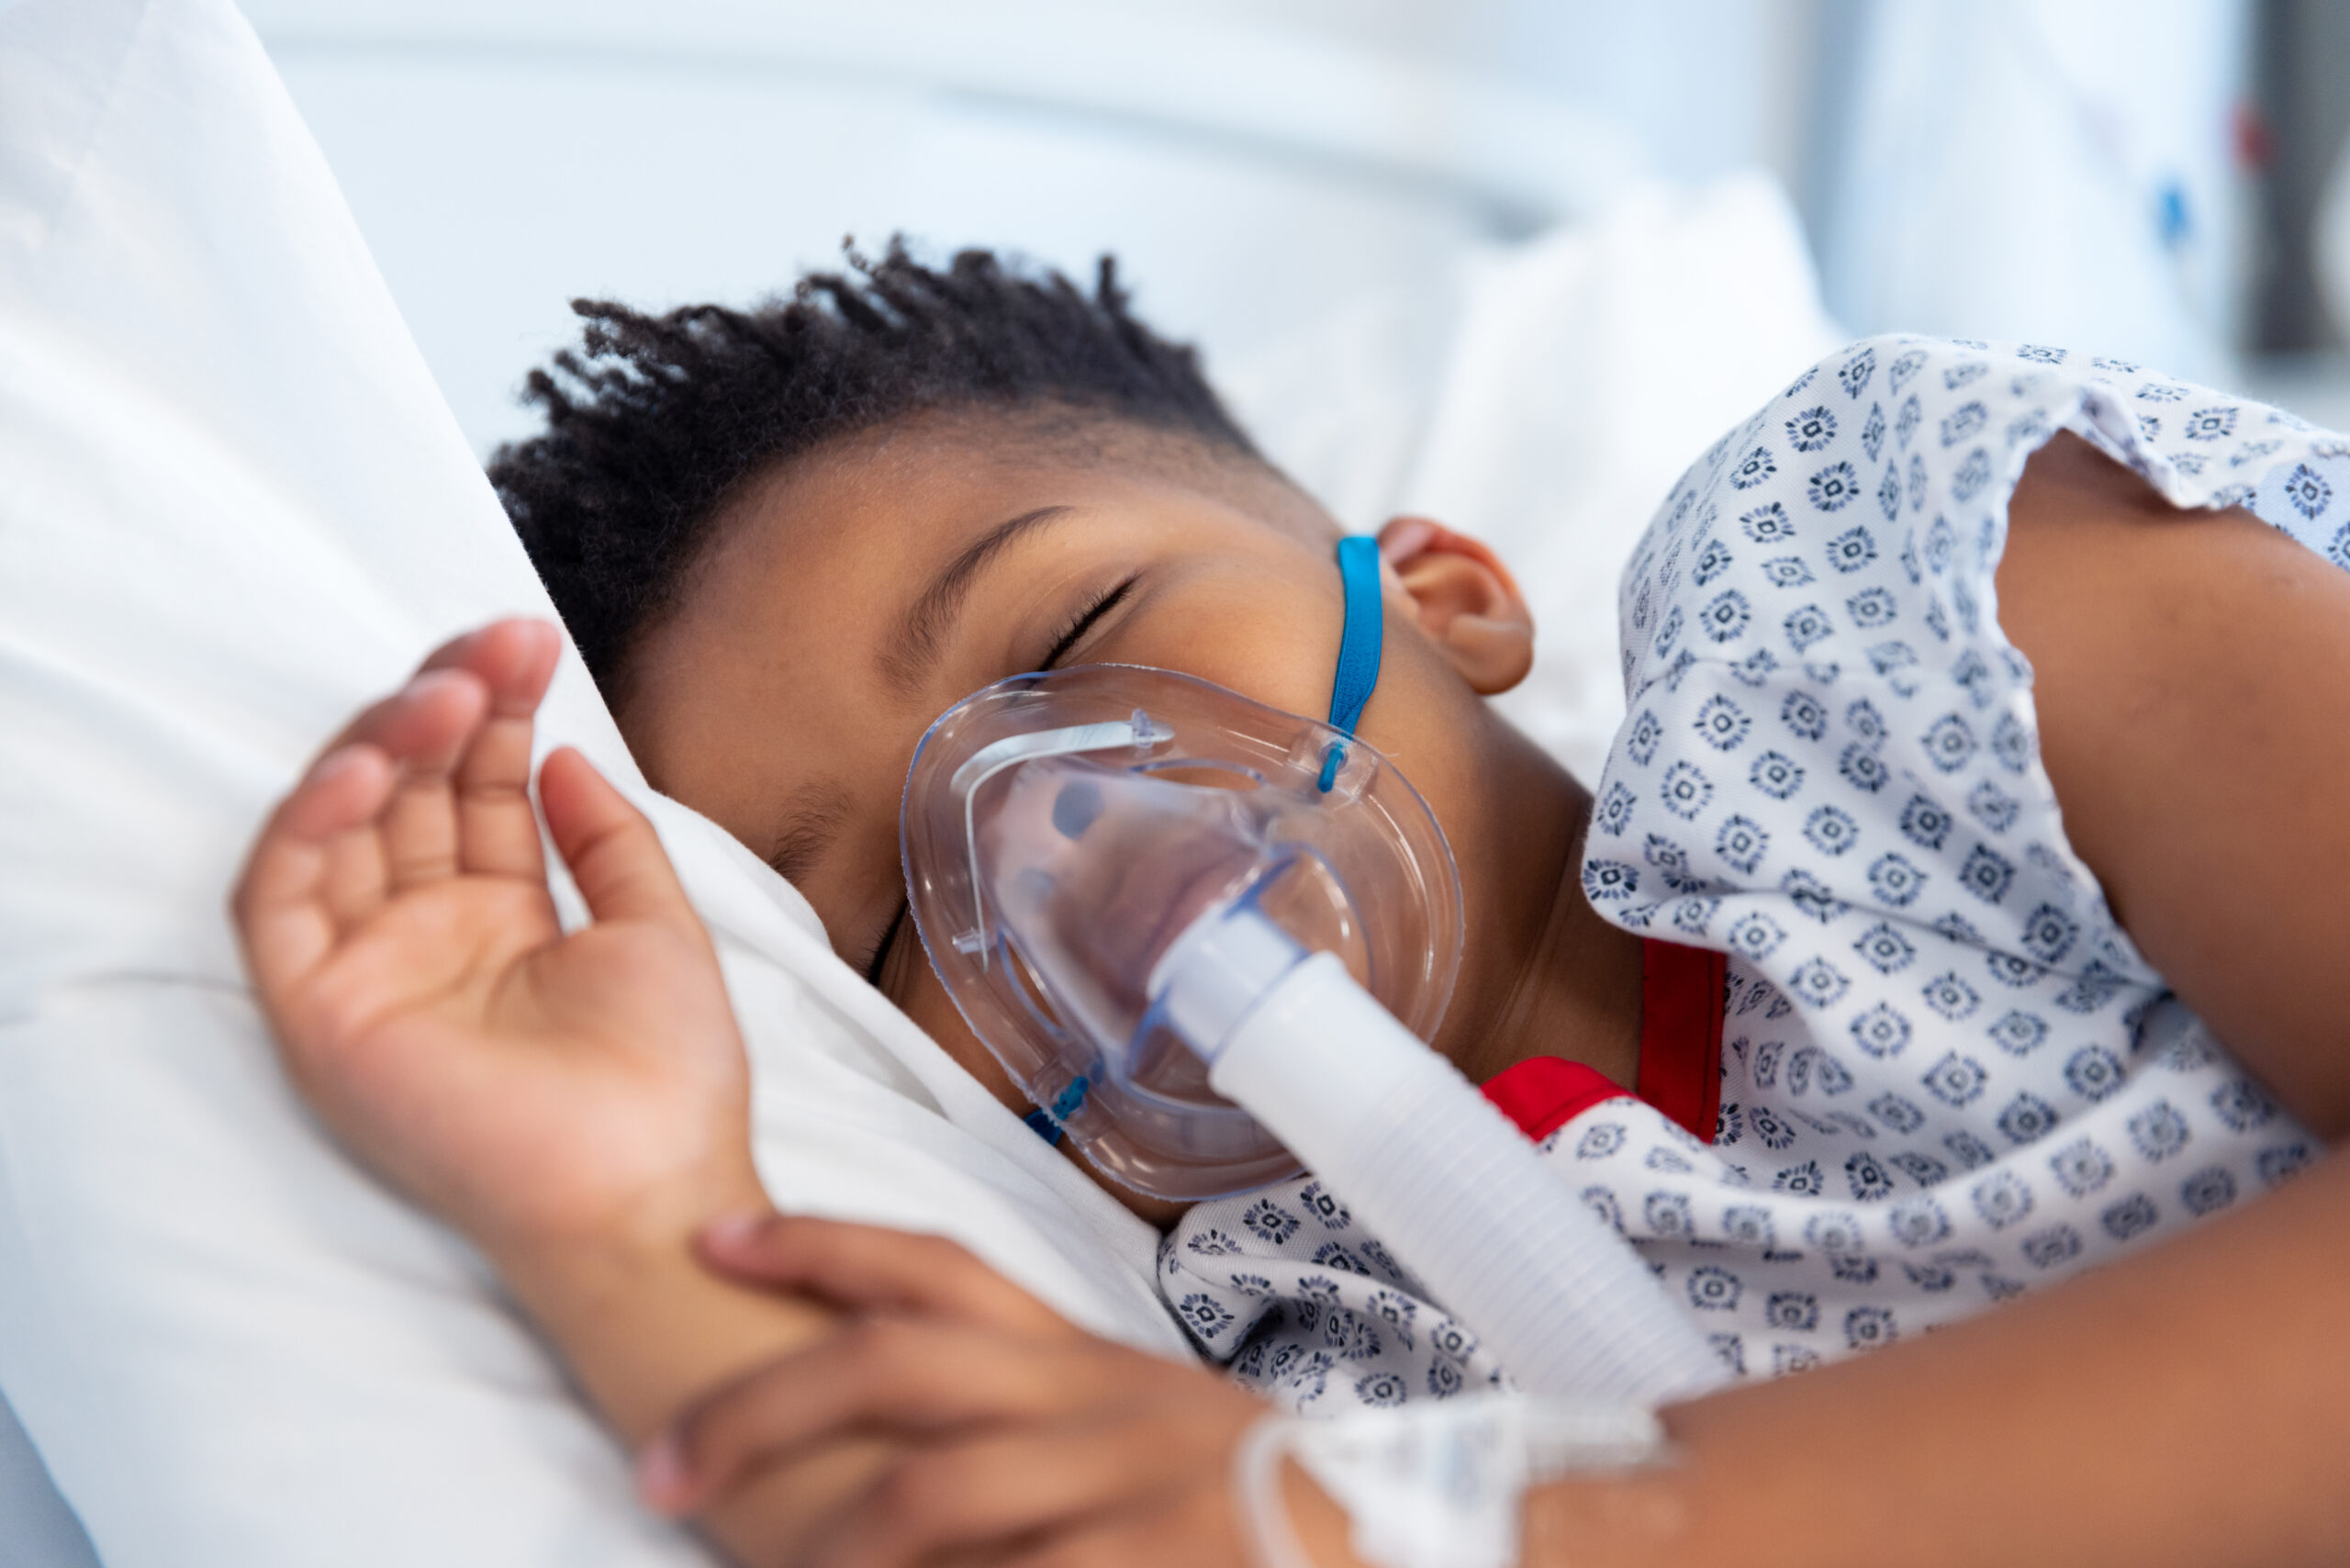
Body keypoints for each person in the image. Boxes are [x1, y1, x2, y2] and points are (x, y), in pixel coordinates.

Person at [232, 244, 2350, 1566]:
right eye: (885, 927)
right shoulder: (1294, 1365)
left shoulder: (1891, 623)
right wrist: (611, 1213)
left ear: (1438, 590)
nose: (1046, 841)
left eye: (1076, 621)